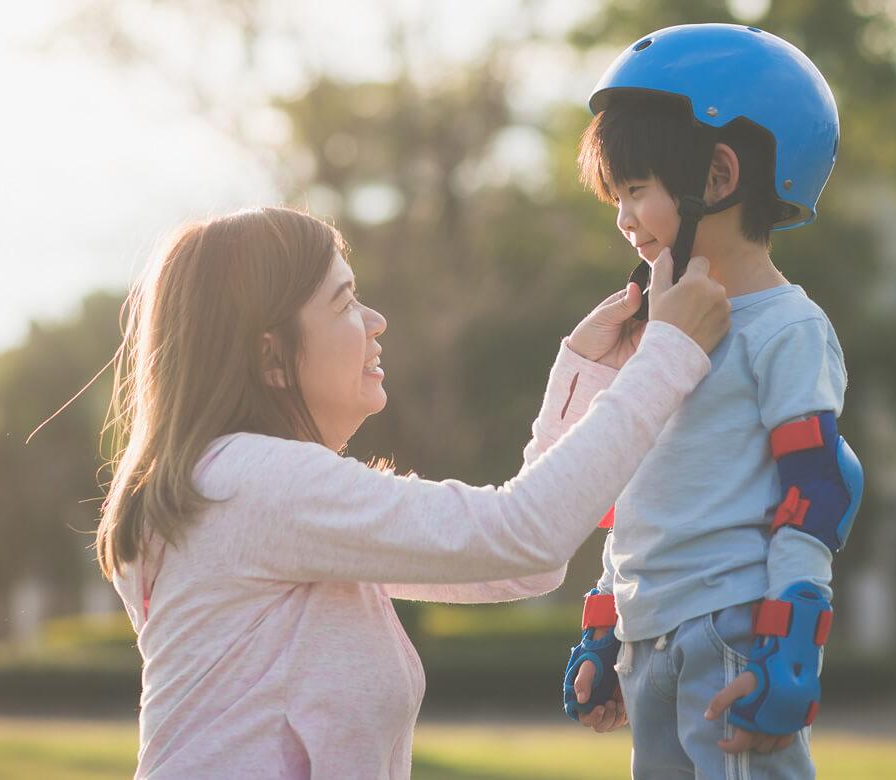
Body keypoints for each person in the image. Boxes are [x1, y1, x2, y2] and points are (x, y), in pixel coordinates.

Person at [94, 205, 730, 778]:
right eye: (343, 304)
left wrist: (586, 375)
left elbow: (516, 565)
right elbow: (523, 539)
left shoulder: (242, 488)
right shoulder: (253, 484)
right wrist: (667, 354)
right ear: (271, 359)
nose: (376, 321)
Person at [559, 24, 864, 779]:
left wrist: (791, 638)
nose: (623, 217)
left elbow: (816, 489)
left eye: (635, 190)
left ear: (719, 177)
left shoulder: (787, 329)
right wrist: (605, 615)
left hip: (731, 630)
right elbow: (637, 490)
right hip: (649, 637)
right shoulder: (657, 332)